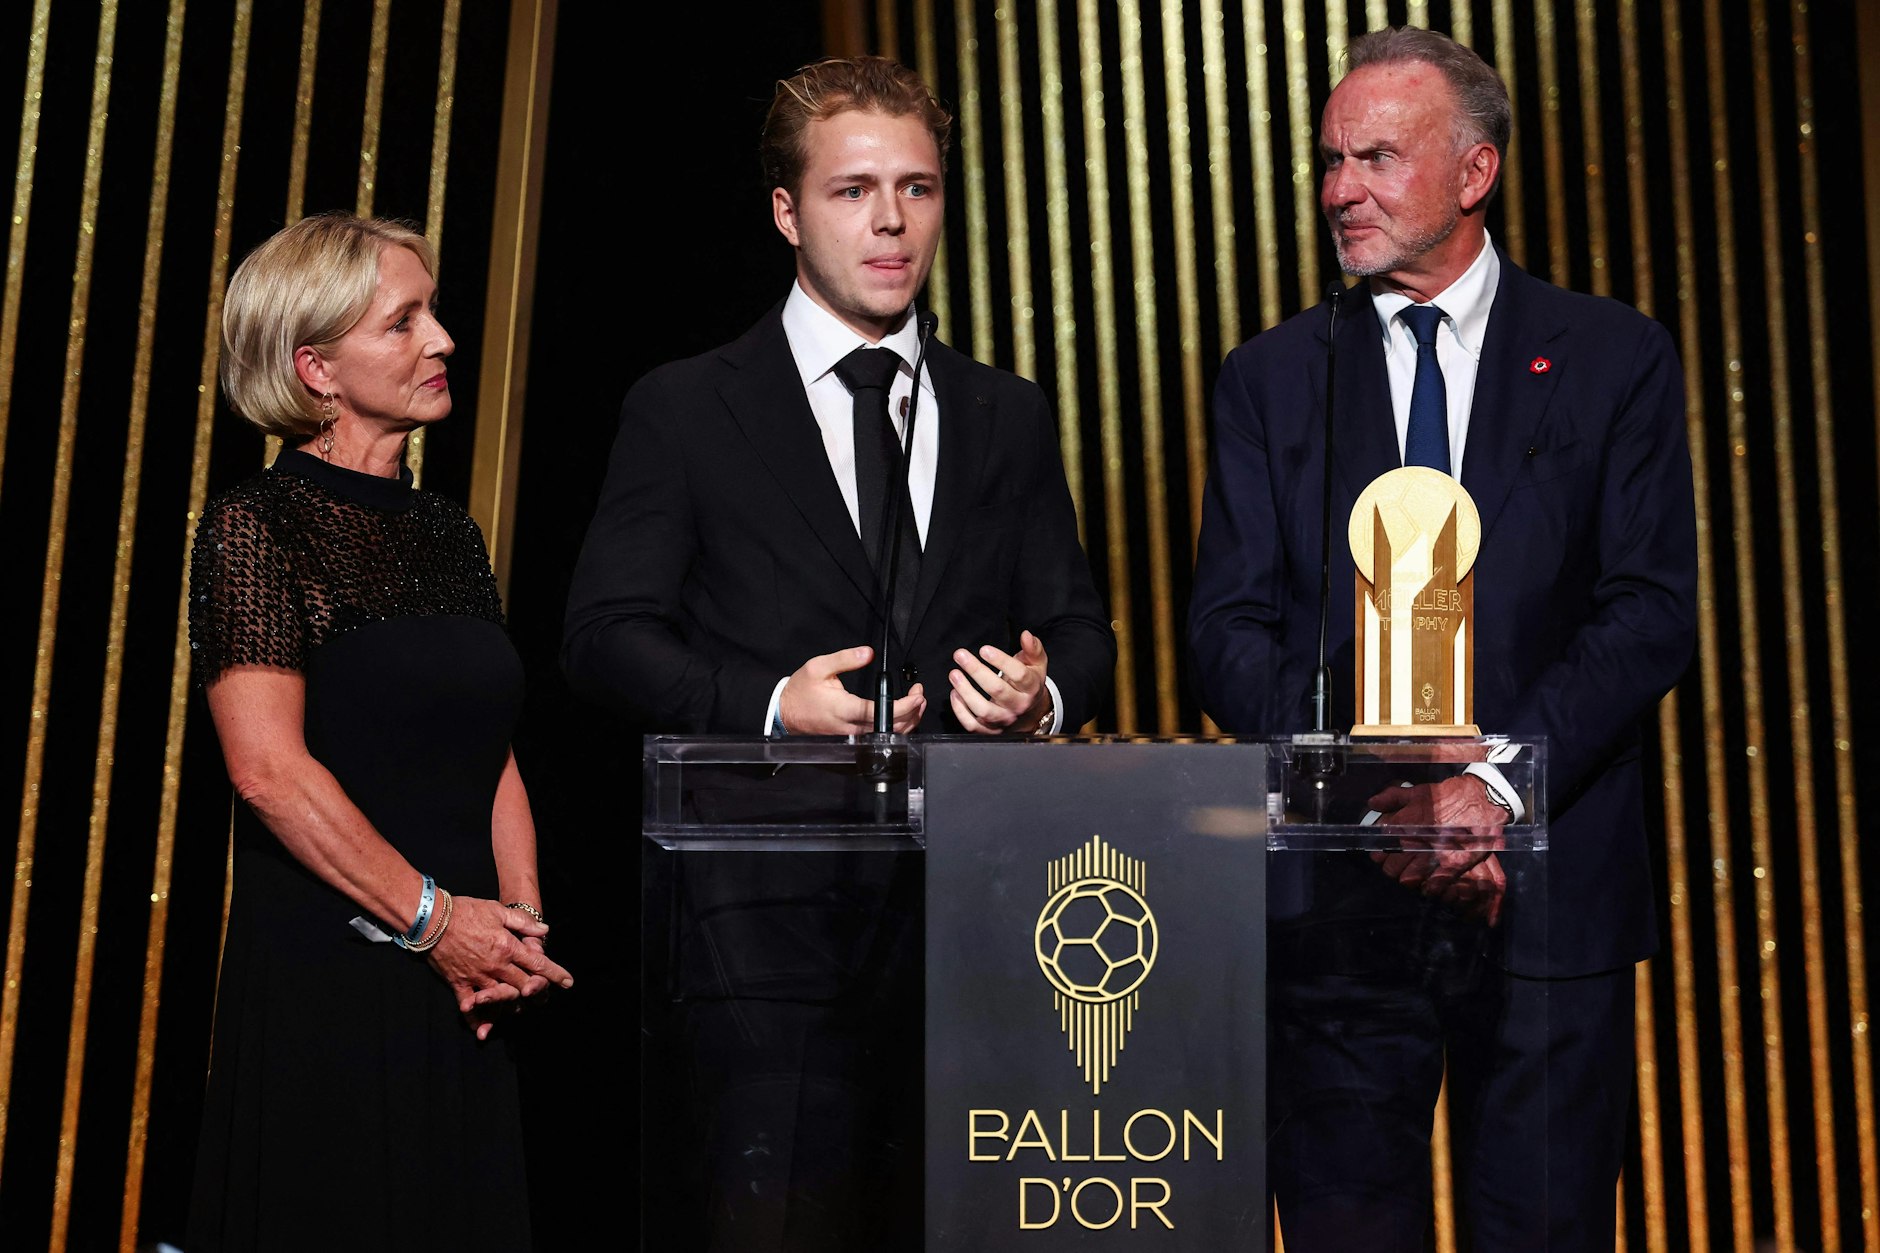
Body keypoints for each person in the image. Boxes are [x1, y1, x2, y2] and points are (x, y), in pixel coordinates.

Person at [563, 56, 1112, 1250]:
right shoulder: (686, 407)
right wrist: (769, 703)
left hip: (987, 923)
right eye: (853, 189)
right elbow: (602, 637)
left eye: (915, 188)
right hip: (761, 935)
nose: (888, 221)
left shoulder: (1003, 411)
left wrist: (1040, 693)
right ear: (785, 210)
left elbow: (1078, 628)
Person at [1189, 27, 1696, 1252]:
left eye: (1373, 158)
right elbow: (1226, 632)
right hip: (1337, 902)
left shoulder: (1610, 355)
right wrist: (1376, 793)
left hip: (1546, 893)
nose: (1335, 191)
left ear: (1472, 174)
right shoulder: (1269, 377)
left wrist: (1487, 780)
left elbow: (1646, 612)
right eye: (1327, 160)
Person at [187, 213, 572, 1250]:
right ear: (314, 366)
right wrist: (436, 923)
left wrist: (516, 931)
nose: (442, 339)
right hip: (339, 980)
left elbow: (490, 747)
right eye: (402, 323)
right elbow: (268, 771)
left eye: (432, 314)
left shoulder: (448, 530)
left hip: (471, 984)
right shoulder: (253, 527)